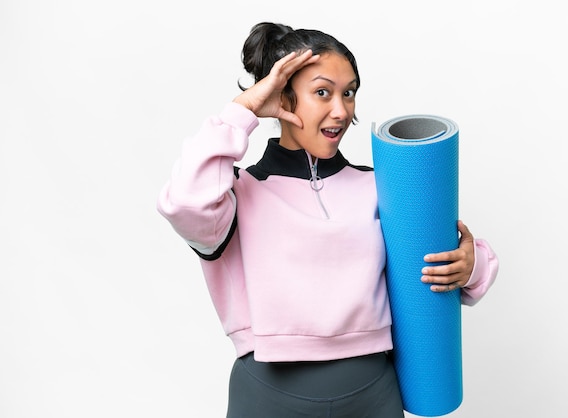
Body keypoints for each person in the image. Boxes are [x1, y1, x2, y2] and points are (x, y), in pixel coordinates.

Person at [157, 21, 498, 418]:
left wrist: (471, 265)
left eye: (348, 93)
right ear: (281, 98)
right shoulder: (237, 192)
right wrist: (243, 110)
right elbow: (183, 203)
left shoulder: (380, 186)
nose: (341, 110)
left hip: (374, 394)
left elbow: (450, 256)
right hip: (269, 397)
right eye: (323, 93)